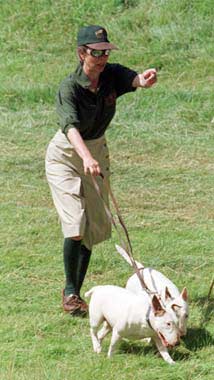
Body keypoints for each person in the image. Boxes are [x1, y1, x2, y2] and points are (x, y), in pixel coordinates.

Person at [45, 25, 157, 316]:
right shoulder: (69, 87)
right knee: (76, 222)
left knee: (94, 227)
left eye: (106, 51)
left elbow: (134, 80)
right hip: (67, 156)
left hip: (96, 151)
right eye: (97, 53)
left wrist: (144, 80)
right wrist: (85, 157)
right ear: (82, 53)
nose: (103, 58)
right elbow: (69, 128)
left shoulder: (111, 75)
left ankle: (76, 293)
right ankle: (70, 292)